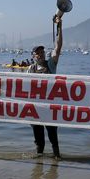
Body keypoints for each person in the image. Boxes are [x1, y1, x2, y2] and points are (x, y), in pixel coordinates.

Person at [27, 13, 64, 159]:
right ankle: (39, 162)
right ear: (33, 56)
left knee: (53, 137)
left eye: (42, 52)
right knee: (39, 139)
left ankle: (57, 159)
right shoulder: (30, 69)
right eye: (38, 53)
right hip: (35, 108)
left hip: (49, 108)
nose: (41, 54)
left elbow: (58, 46)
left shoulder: (51, 65)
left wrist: (59, 26)